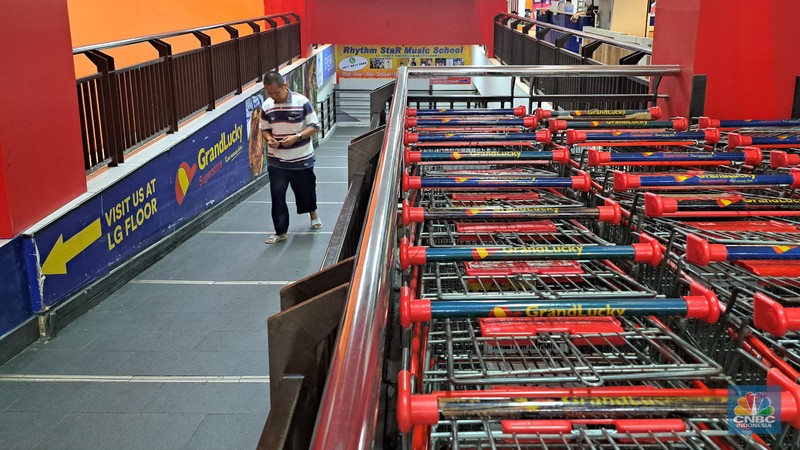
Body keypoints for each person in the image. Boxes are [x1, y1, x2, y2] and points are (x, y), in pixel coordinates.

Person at [259, 71, 322, 244]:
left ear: (285, 85)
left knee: (306, 192)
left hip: (302, 158)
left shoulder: (302, 102)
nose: (273, 96)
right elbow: (264, 129)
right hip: (276, 160)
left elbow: (314, 126)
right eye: (269, 93)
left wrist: (297, 137)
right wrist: (269, 139)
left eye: (276, 92)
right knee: (277, 196)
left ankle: (313, 214)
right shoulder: (267, 105)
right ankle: (280, 232)